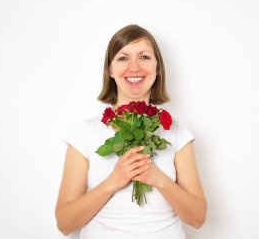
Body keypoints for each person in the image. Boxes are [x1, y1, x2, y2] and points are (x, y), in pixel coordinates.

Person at [55, 24, 207, 239]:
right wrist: (113, 181)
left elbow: (198, 218)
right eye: (123, 58)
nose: (134, 68)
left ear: (158, 68)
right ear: (110, 70)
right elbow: (65, 223)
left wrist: (158, 179)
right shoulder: (84, 133)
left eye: (144, 57)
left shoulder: (177, 131)